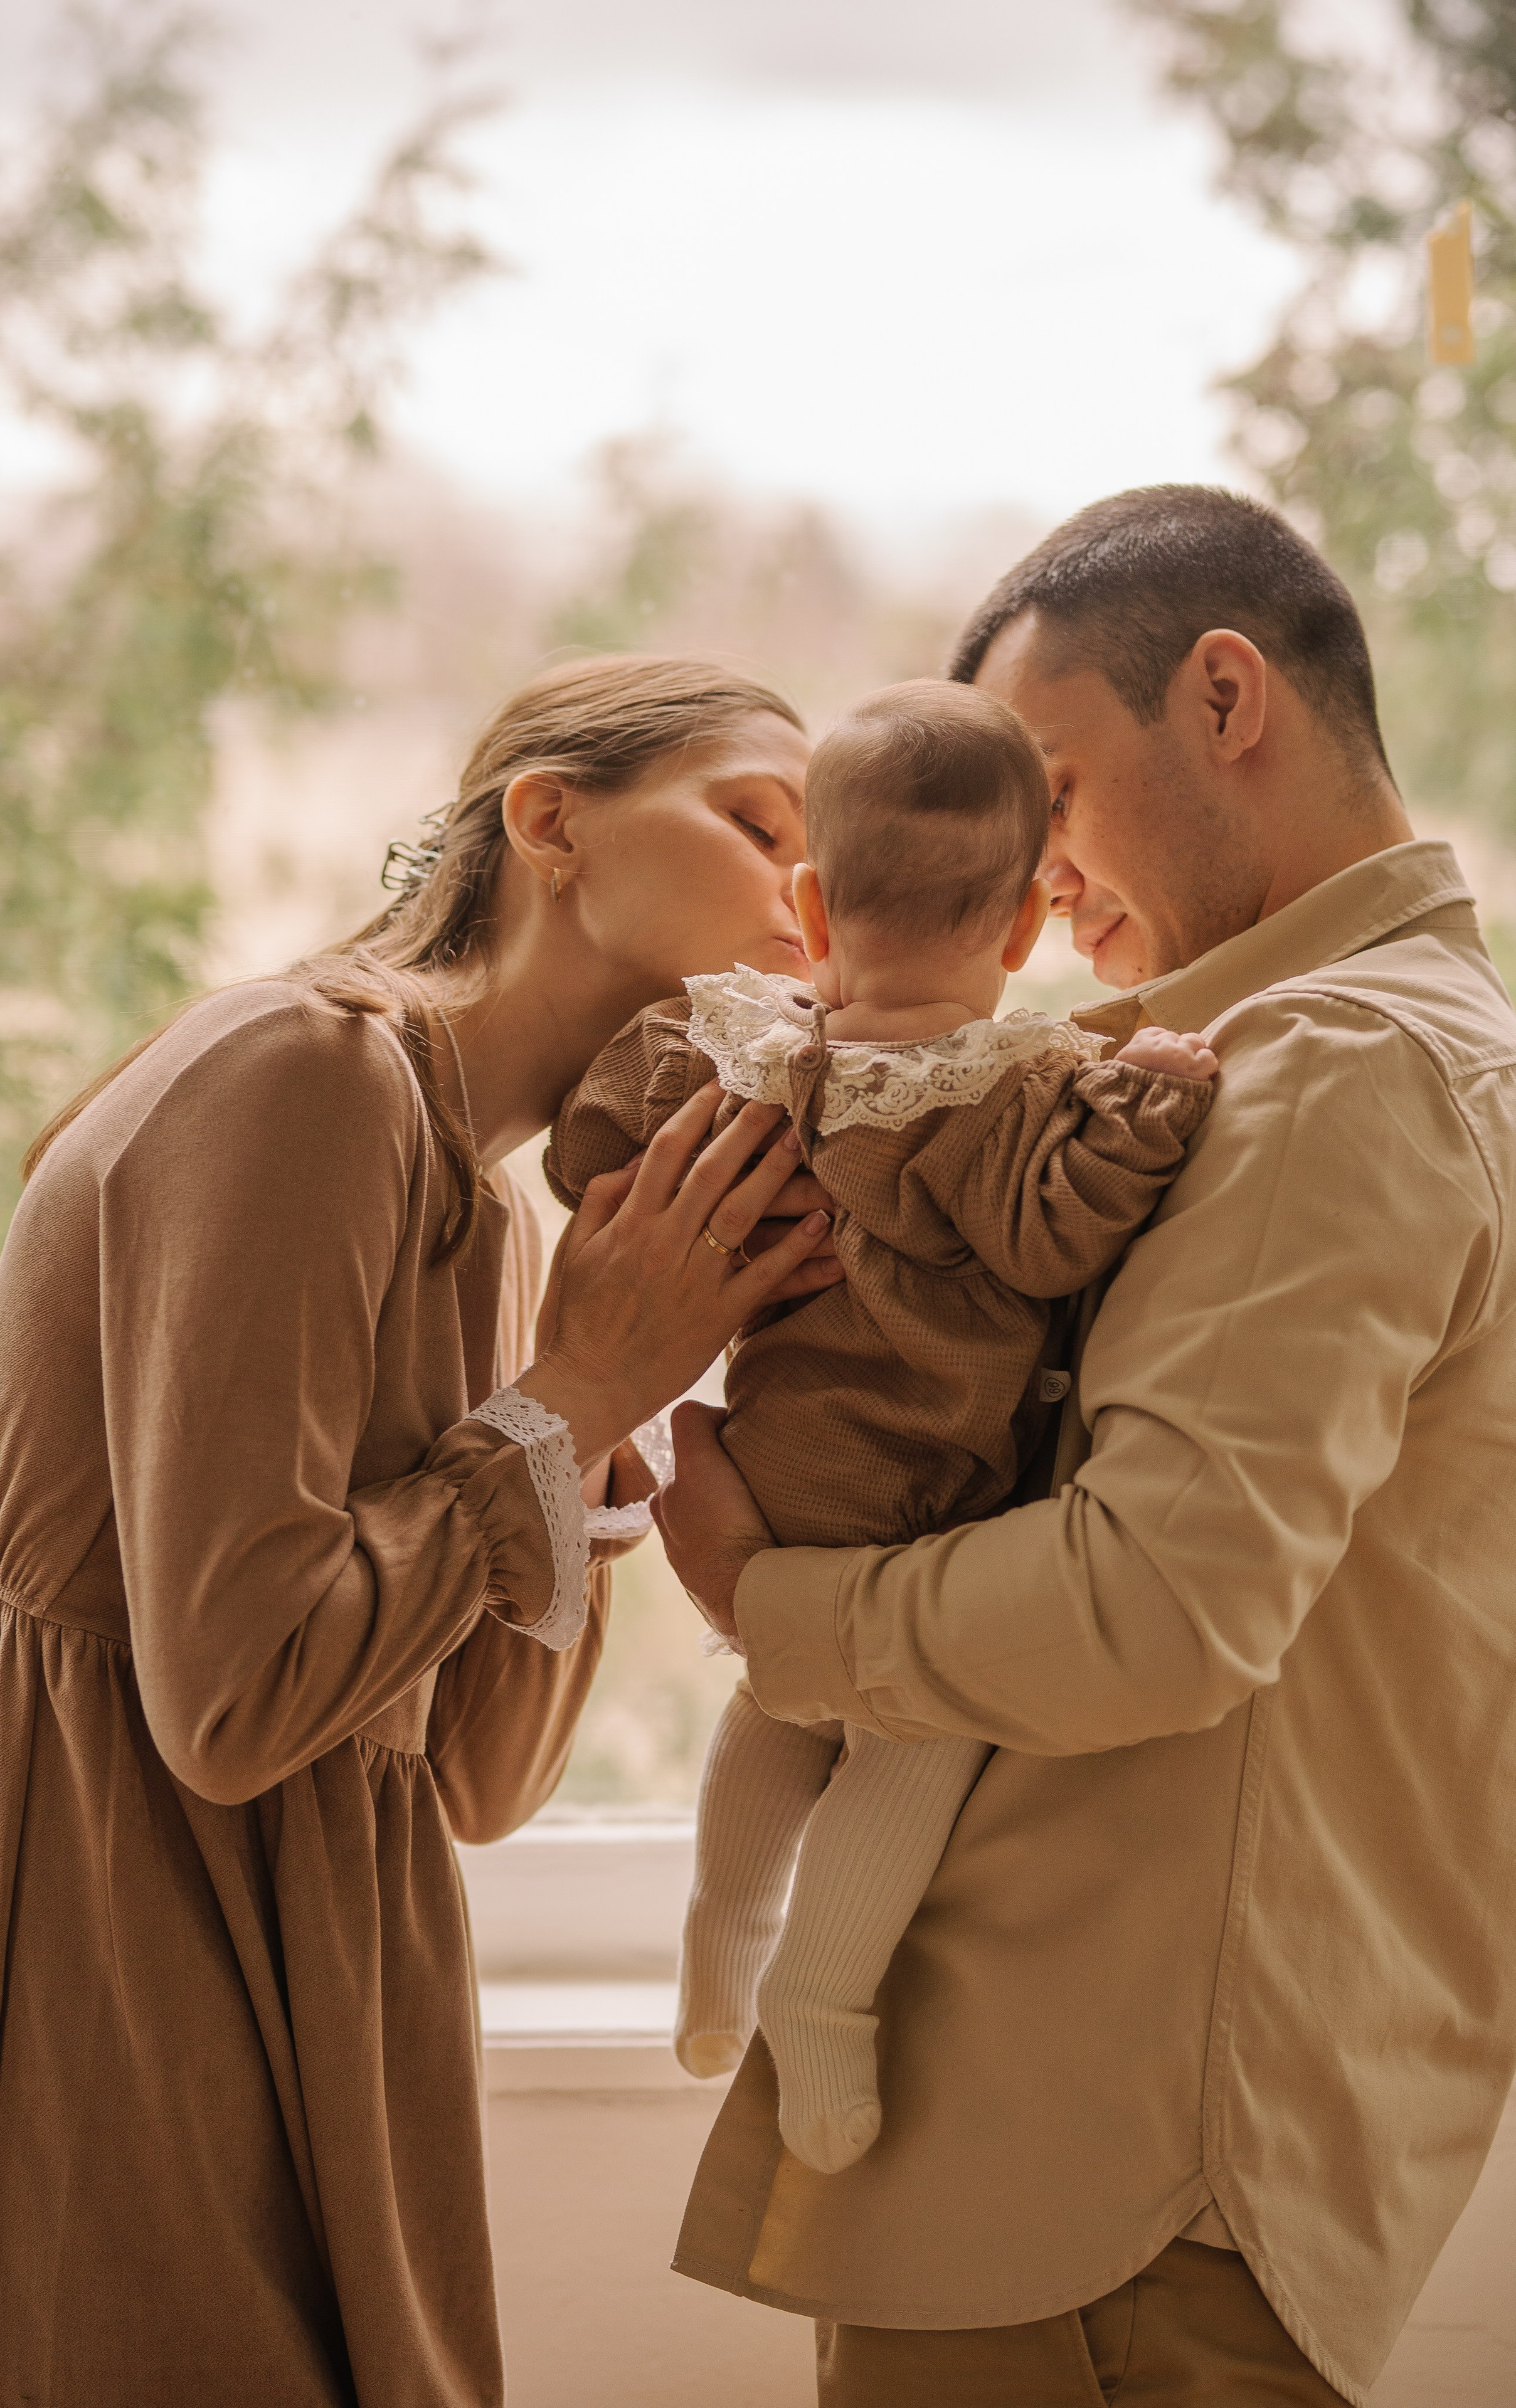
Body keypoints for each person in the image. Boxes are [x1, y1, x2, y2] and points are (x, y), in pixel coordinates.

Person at [654, 488, 1516, 2407]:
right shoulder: (1360, 1053)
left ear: (1225, 699)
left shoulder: (1338, 1067)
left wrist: (763, 1600)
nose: (1031, 879)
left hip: (1109, 2207)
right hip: (1107, 2181)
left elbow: (1153, 1610)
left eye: (1048, 796)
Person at [0, 652, 843, 2408]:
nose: (809, 904)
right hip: (135, 1973)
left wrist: (600, 1416)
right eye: (758, 825)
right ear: (550, 822)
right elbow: (235, 1697)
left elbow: (475, 1778)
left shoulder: (489, 1218)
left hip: (324, 2001)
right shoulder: (306, 1073)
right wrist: (573, 1396)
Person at [546, 679, 1215, 2178]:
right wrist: (1146, 1114)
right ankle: (817, 1996)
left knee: (772, 1712)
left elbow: (592, 1146)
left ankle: (716, 1947)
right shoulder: (1019, 1088)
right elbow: (1051, 1238)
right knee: (911, 1744)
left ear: (808, 908)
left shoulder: (747, 1050)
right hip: (918, 1490)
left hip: (769, 1465)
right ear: (1024, 926)